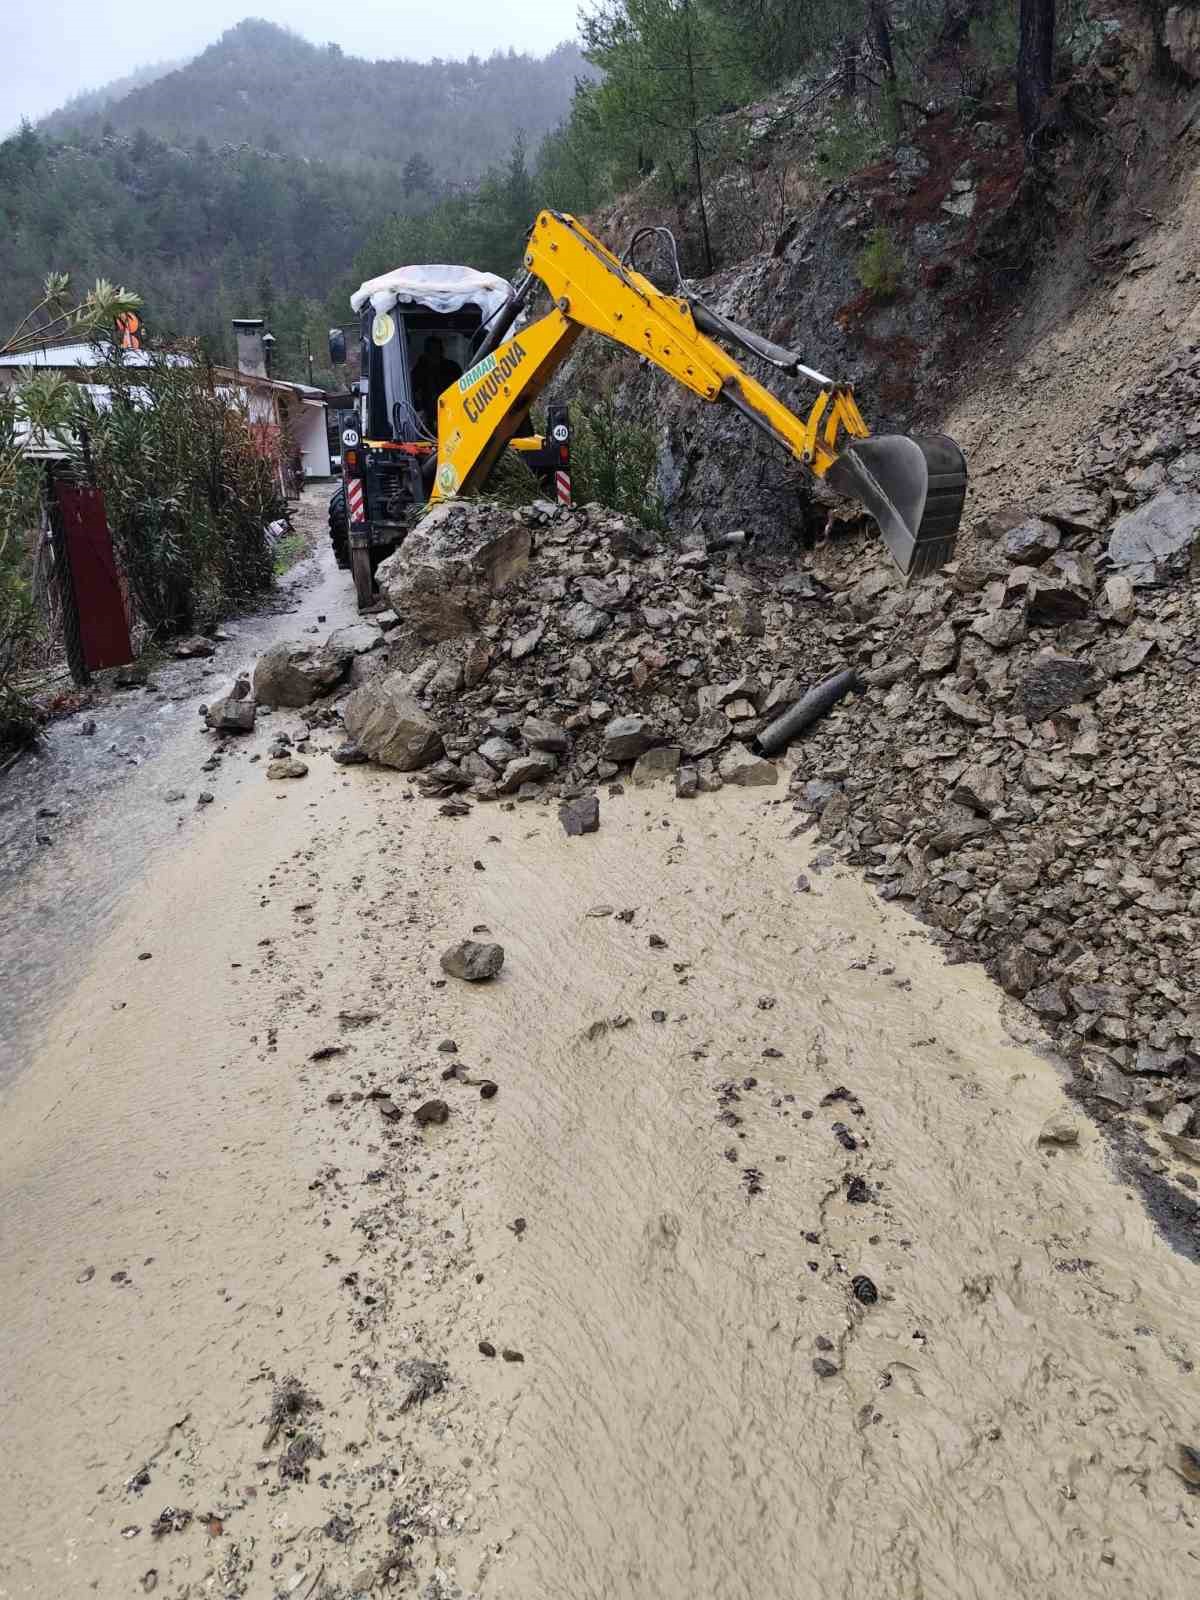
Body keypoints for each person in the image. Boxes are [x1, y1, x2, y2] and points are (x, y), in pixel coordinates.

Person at [411, 335, 462, 429]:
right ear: (426, 352)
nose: (434, 354)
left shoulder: (453, 368)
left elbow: (461, 390)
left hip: (452, 414)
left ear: (442, 351)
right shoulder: (418, 372)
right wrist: (421, 412)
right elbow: (413, 395)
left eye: (437, 350)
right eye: (431, 351)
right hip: (426, 420)